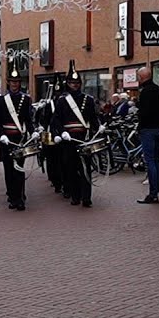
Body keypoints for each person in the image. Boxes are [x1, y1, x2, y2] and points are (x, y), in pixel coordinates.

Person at [51, 61, 100, 208]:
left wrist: (98, 128)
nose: (75, 85)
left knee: (85, 168)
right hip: (68, 139)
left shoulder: (88, 100)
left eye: (77, 83)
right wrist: (61, 132)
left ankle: (86, 197)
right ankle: (75, 195)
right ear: (68, 84)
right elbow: (56, 120)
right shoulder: (62, 101)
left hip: (83, 138)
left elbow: (92, 118)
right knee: (70, 168)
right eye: (72, 83)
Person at [0, 66, 34, 211]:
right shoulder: (1, 100)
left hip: (19, 138)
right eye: (12, 82)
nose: (15, 84)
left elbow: (28, 120)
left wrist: (33, 132)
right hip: (6, 139)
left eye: (17, 82)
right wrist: (1, 134)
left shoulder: (26, 99)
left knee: (19, 169)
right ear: (8, 82)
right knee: (9, 170)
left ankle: (20, 198)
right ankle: (12, 196)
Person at [135, 67, 159, 204]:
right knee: (156, 160)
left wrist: (140, 126)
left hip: (148, 129)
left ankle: (153, 193)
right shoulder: (158, 89)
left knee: (150, 160)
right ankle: (157, 189)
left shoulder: (145, 92)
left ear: (141, 77)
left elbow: (144, 112)